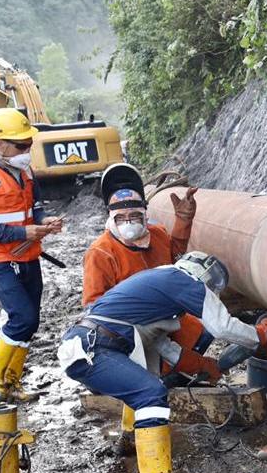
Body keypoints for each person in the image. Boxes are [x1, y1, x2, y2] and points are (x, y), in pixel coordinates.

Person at [58, 252, 267, 473]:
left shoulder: (156, 287)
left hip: (87, 345)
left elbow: (166, 348)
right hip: (94, 348)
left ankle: (130, 439)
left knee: (143, 384)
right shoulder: (183, 280)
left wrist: (202, 365)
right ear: (204, 274)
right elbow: (222, 326)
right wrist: (262, 335)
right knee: (151, 393)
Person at [82, 165, 214, 446]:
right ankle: (140, 415)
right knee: (145, 375)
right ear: (111, 218)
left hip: (165, 319)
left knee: (202, 330)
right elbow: (94, 306)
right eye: (122, 217)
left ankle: (173, 375)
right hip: (126, 330)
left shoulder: (158, 235)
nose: (129, 222)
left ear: (144, 213)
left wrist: (184, 220)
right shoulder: (101, 252)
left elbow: (176, 257)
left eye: (135, 215)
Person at [0, 108, 63, 404]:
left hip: (28, 255)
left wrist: (43, 223)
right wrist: (23, 233)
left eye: (29, 143)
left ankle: (12, 382)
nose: (27, 150)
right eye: (21, 145)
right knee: (22, 316)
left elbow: (35, 207)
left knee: (31, 321)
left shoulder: (26, 171)